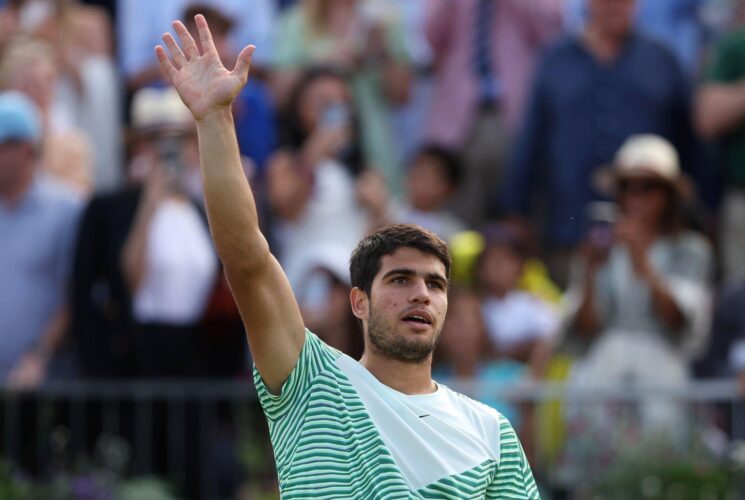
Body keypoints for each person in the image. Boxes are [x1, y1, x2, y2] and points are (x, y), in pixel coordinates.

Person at [156, 15, 539, 498]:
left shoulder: (491, 430)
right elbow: (247, 259)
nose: (421, 293)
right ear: (358, 301)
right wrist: (214, 120)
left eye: (435, 284)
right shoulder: (311, 383)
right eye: (400, 279)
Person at [504, 0, 700, 287]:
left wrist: (700, 213)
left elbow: (690, 144)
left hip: (652, 240)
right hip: (569, 230)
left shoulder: (662, 59)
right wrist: (516, 210)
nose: (613, 7)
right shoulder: (556, 59)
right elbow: (531, 141)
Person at [0, 91, 82, 388]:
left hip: (43, 386)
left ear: (24, 149)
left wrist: (38, 355)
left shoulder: (66, 209)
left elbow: (72, 296)